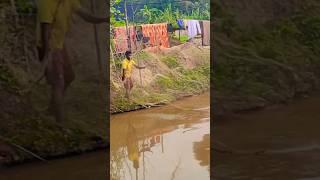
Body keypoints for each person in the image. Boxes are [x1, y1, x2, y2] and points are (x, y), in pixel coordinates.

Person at [36, 0, 108, 122]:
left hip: (59, 45)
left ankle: (52, 109)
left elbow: (87, 16)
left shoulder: (69, 1)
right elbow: (45, 32)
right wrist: (48, 57)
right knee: (58, 84)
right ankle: (60, 123)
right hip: (48, 46)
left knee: (69, 76)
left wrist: (105, 19)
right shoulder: (46, 3)